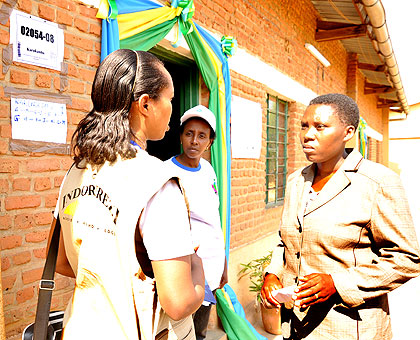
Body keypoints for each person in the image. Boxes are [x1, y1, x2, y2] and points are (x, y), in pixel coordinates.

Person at [47, 49, 205, 340]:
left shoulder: (77, 171)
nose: (173, 106)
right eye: (169, 98)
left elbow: (59, 261)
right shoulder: (156, 181)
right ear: (146, 104)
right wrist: (197, 266)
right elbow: (179, 302)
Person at [260, 93, 420, 340]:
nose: (307, 135)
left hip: (349, 327)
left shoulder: (377, 182)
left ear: (348, 132)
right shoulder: (296, 181)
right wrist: (272, 274)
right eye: (304, 126)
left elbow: (407, 258)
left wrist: (337, 283)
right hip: (296, 326)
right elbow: (286, 240)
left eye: (320, 127)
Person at [164, 105, 228, 340]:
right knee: (176, 332)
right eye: (189, 133)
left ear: (210, 141)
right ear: (180, 136)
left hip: (210, 269)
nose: (194, 141)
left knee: (199, 332)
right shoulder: (166, 172)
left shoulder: (208, 171)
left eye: (202, 136)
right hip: (183, 269)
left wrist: (223, 264)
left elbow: (214, 219)